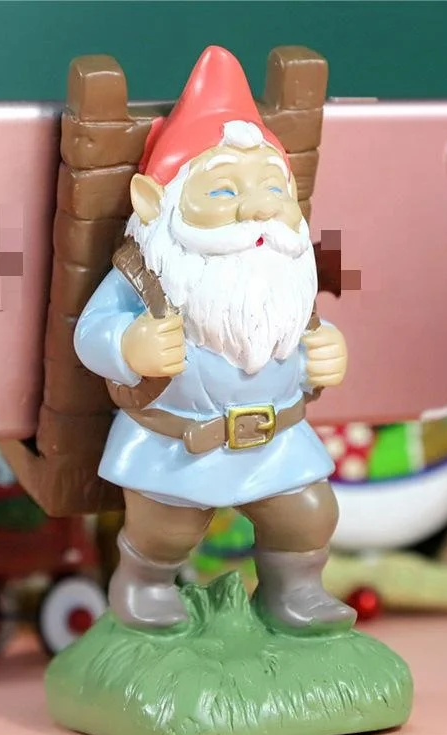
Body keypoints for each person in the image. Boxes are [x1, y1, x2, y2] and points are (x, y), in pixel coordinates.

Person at [74, 46, 355, 630]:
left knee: (308, 513)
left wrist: (324, 353)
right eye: (224, 192)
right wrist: (129, 346)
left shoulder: (285, 272)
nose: (255, 208)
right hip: (176, 446)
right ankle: (145, 583)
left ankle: (295, 592)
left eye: (272, 190)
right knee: (165, 527)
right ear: (155, 202)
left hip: (277, 443)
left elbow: (294, 330)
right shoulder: (146, 272)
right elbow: (92, 331)